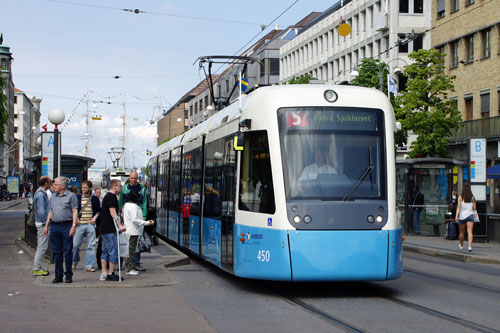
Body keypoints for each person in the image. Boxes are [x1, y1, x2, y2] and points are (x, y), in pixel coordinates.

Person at [43, 176, 78, 284]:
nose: (54, 186)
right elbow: (51, 211)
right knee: (57, 252)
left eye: (56, 184)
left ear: (62, 186)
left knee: (67, 251)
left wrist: (73, 226)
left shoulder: (71, 196)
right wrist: (46, 225)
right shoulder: (53, 197)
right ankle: (58, 275)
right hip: (55, 226)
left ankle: (68, 275)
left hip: (66, 225)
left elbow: (74, 211)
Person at [119, 170, 148, 272]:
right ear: (129, 178)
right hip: (126, 217)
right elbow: (120, 201)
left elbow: (144, 203)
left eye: (135, 178)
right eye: (132, 178)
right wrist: (119, 215)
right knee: (125, 241)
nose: (134, 180)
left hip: (138, 216)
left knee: (137, 242)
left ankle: (136, 263)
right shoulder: (125, 188)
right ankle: (122, 263)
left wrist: (144, 217)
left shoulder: (143, 189)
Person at [99, 179, 126, 281]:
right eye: (120, 186)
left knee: (105, 251)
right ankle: (111, 272)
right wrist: (120, 225)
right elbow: (113, 212)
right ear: (115, 187)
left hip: (103, 228)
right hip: (110, 228)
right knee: (113, 250)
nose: (121, 188)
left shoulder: (107, 196)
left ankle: (103, 273)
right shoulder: (112, 197)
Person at [123, 191, 154, 275]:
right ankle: (129, 268)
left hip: (129, 230)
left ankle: (129, 267)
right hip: (133, 231)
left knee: (130, 250)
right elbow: (135, 219)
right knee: (131, 250)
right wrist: (147, 222)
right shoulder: (133, 207)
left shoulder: (126, 205)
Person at [72, 180, 100, 272]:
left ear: (90, 188)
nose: (83, 189)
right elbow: (73, 209)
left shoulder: (94, 199)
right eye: (82, 187)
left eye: (85, 187)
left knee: (91, 245)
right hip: (80, 224)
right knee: (75, 244)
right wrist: (76, 218)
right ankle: (74, 260)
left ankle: (89, 265)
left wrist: (94, 218)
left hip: (90, 224)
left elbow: (98, 211)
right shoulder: (77, 198)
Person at [32, 176, 51, 276]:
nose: (50, 184)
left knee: (41, 246)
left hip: (41, 223)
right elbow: (41, 211)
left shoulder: (40, 193)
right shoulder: (40, 195)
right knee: (42, 247)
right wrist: (46, 224)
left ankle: (37, 267)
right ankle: (36, 268)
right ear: (45, 183)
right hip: (42, 224)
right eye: (49, 182)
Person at [455, 185, 477, 251]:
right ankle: (470, 247)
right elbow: (474, 208)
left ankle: (461, 245)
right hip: (470, 215)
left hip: (462, 216)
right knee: (470, 232)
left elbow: (458, 208)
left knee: (461, 232)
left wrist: (456, 216)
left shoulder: (460, 198)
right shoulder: (473, 198)